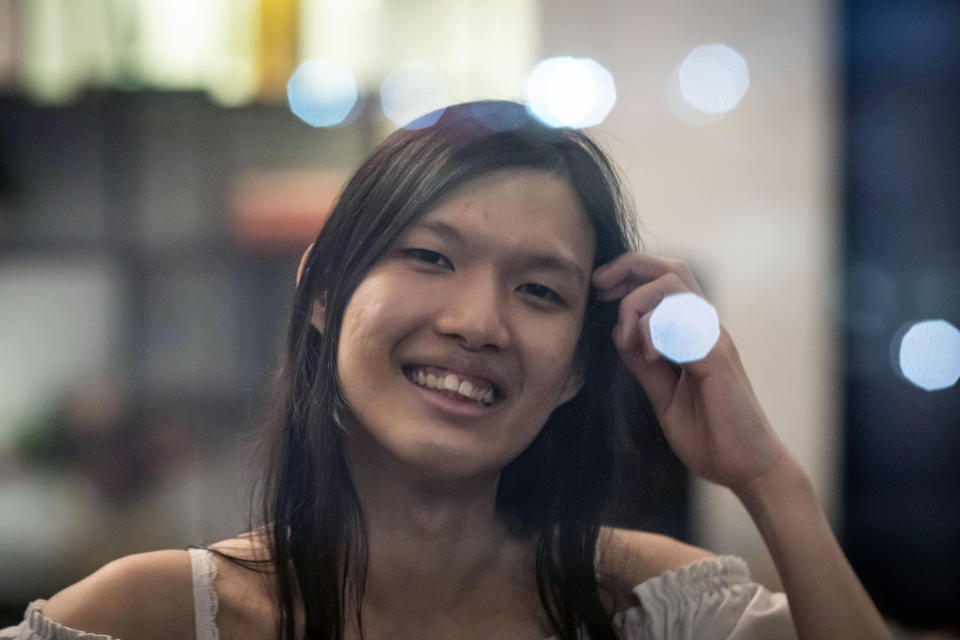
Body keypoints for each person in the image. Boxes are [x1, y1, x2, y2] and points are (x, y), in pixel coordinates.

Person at [1, 100, 890, 640]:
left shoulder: (657, 608)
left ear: (581, 365)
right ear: (322, 292)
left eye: (540, 291)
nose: (476, 323)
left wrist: (768, 478)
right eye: (429, 257)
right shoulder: (151, 617)